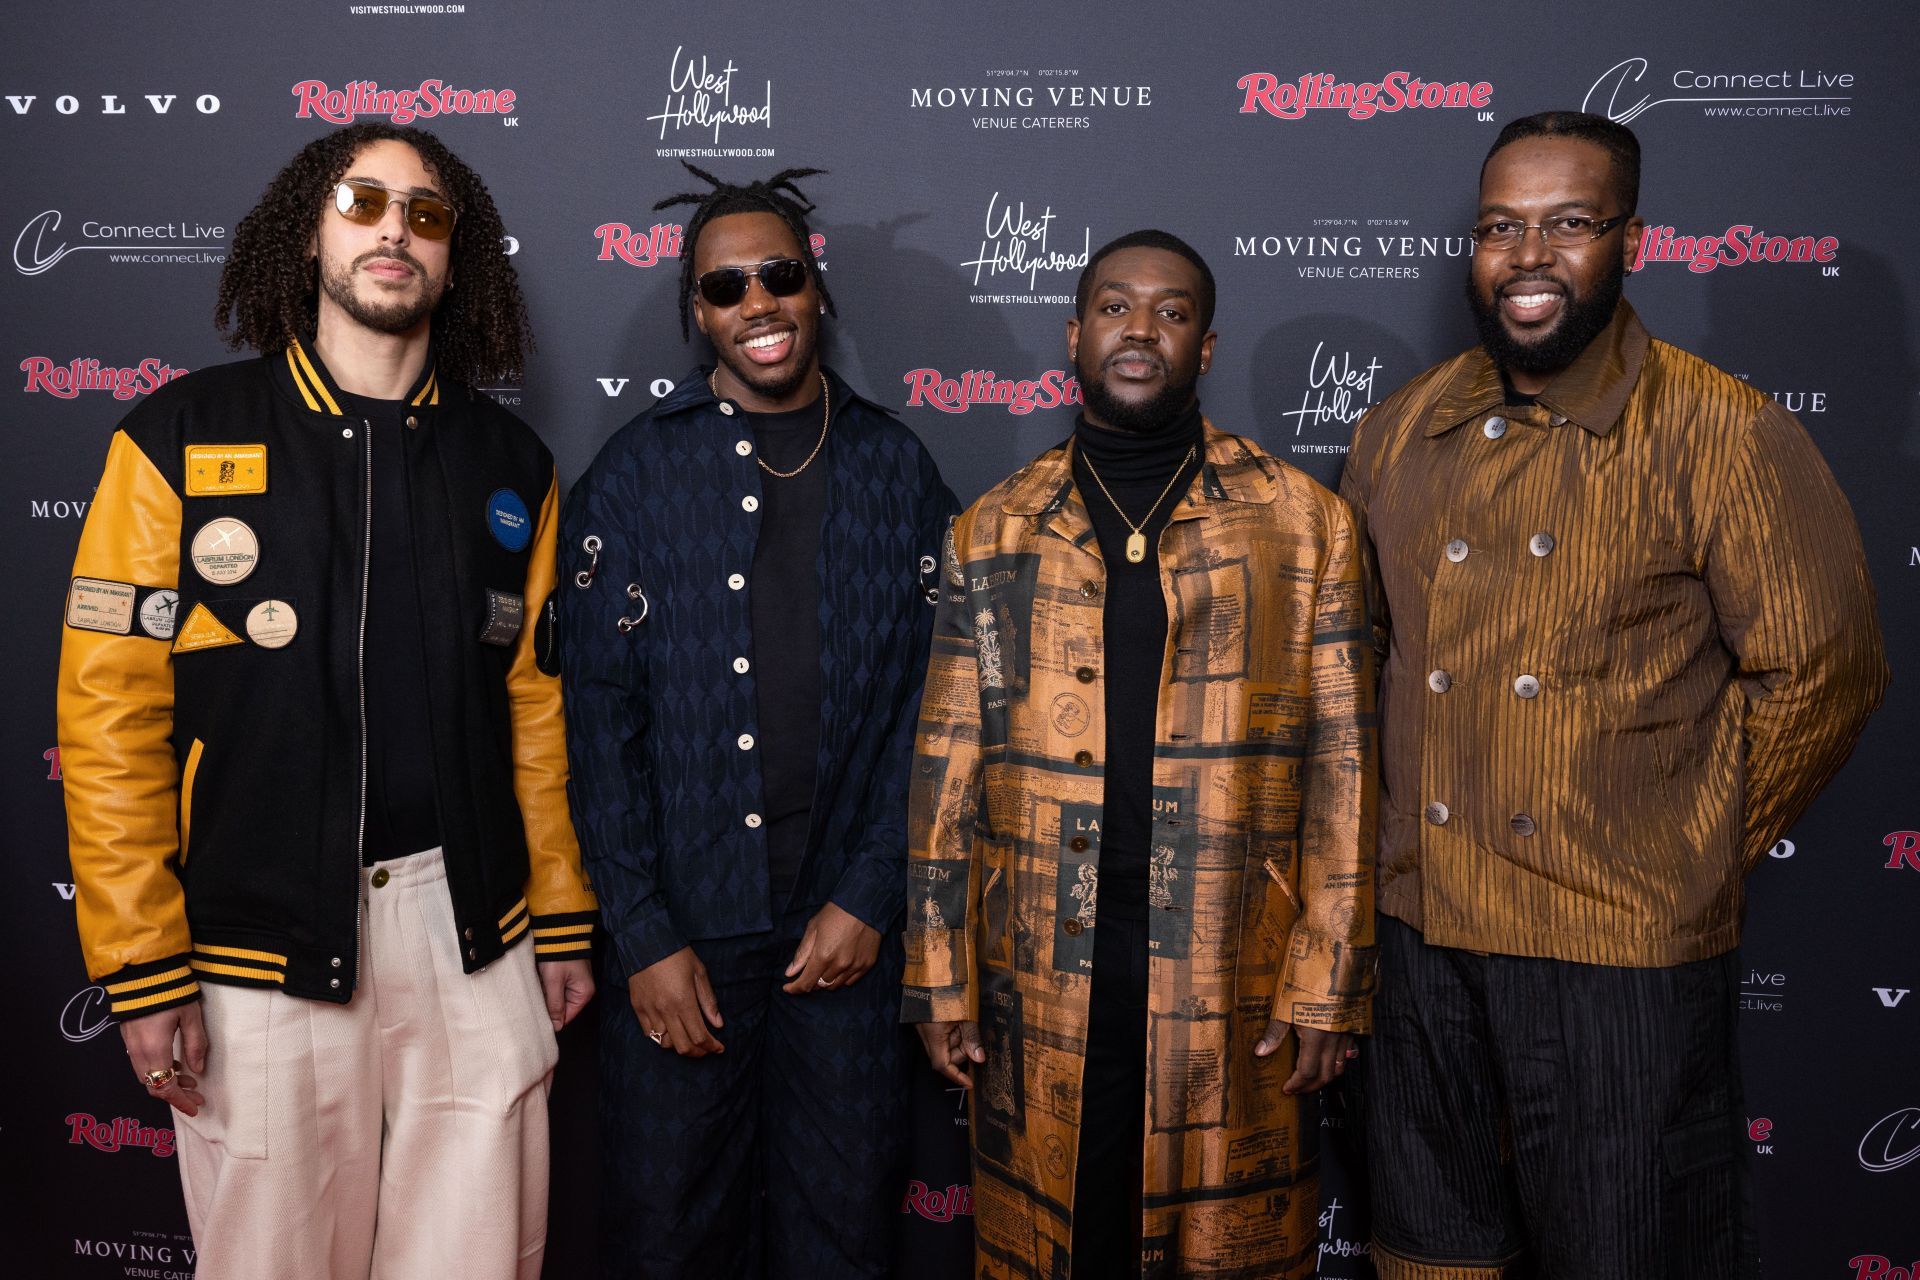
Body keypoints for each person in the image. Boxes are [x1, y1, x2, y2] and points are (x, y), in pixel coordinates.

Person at [1340, 111, 1888, 1279]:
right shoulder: (1401, 428)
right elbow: (1363, 665)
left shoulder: (1723, 431)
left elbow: (1824, 671)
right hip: (1423, 934)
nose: (1527, 256)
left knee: (1630, 1253)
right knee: (1430, 1255)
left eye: (1568, 224)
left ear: (1632, 240)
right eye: (1500, 227)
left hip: (1615, 955)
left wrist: (1678, 847)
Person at [56, 124, 597, 1278]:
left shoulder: (514, 464)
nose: (395, 227)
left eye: (427, 211)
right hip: (254, 948)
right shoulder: (175, 437)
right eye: (364, 200)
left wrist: (558, 912)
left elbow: (537, 714)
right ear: (310, 233)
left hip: (475, 937)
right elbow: (108, 721)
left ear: (458, 260)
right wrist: (144, 965)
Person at [904, 229, 1377, 1279]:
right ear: (1075, 335)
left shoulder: (1303, 527)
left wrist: (1331, 977)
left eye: (1170, 312)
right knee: (1062, 1248)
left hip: (1229, 958)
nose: (1141, 330)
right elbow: (946, 765)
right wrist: (939, 971)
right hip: (1040, 960)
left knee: (1218, 1251)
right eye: (1117, 306)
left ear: (1204, 346)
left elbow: (1345, 772)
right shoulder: (992, 530)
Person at [559, 164, 956, 1279]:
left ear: (815, 288)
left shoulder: (896, 469)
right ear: (700, 312)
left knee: (843, 1236)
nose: (757, 304)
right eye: (726, 287)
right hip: (683, 936)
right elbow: (595, 714)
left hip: (846, 938)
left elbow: (938, 713)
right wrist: (640, 930)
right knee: (668, 1234)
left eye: (778, 275)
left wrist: (872, 892)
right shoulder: (636, 475)